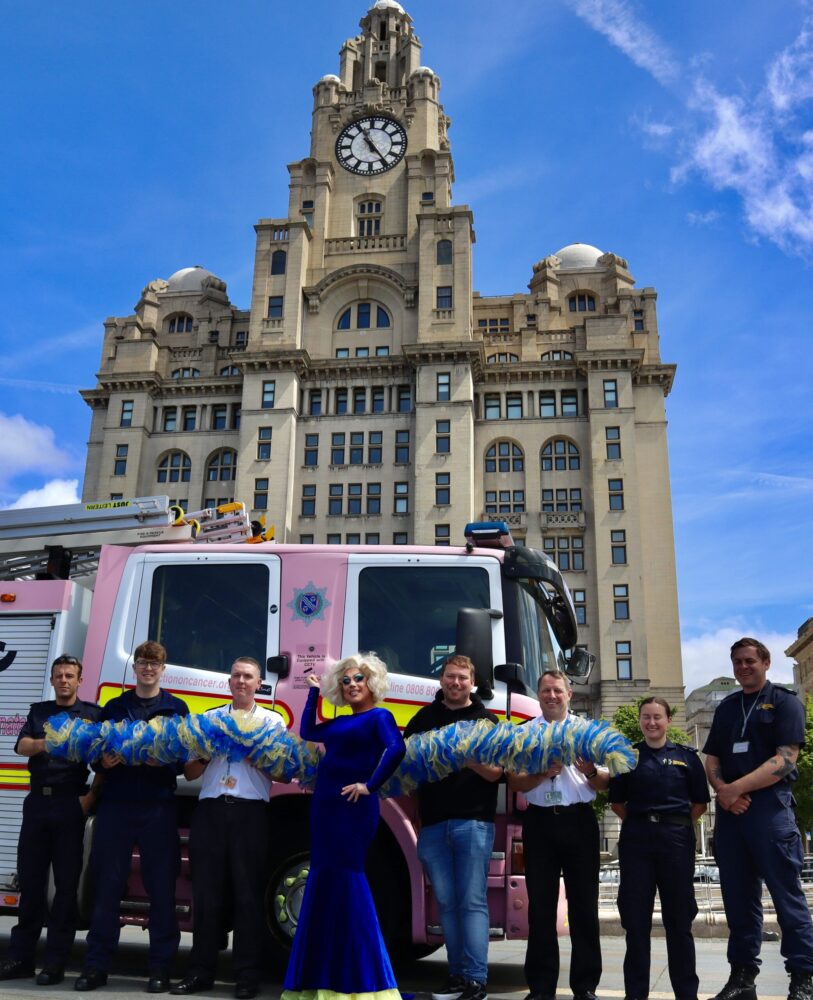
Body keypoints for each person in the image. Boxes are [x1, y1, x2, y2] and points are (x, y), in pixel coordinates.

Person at [281, 652, 405, 1000]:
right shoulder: (338, 724)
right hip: (325, 809)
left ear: (372, 683)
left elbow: (396, 749)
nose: (352, 685)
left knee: (348, 882)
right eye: (346, 680)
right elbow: (307, 730)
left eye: (358, 679)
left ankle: (365, 982)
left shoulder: (380, 716)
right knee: (321, 880)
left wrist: (370, 785)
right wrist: (313, 693)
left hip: (354, 810)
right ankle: (319, 978)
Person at [75, 640, 189, 994]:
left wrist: (166, 760)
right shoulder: (114, 707)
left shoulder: (176, 708)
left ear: (162, 669)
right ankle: (96, 967)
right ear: (135, 668)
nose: (148, 669)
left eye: (154, 664)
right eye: (142, 663)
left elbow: (185, 757)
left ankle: (160, 968)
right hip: (117, 806)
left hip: (158, 806)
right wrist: (102, 763)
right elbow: (93, 751)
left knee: (161, 889)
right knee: (107, 887)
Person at [703, 637, 813, 1000]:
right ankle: (742, 977)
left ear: (765, 662)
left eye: (750, 661)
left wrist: (735, 789)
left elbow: (786, 759)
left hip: (770, 810)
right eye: (737, 662)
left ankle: (803, 979)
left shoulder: (786, 703)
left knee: (787, 898)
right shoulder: (727, 708)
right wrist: (724, 791)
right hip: (732, 815)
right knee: (737, 900)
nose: (743, 667)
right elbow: (713, 759)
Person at [171, 657, 284, 1000]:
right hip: (211, 811)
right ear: (228, 682)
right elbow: (189, 773)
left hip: (250, 813)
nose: (241, 681)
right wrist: (208, 751)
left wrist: (255, 753)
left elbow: (283, 774)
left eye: (248, 676)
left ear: (259, 683)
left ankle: (247, 975)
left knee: (248, 896)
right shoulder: (209, 719)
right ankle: (200, 971)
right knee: (206, 896)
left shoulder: (272, 721)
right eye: (235, 675)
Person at [403, 654, 503, 1000]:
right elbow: (410, 771)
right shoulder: (423, 719)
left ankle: (477, 980)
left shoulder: (486, 720)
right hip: (432, 825)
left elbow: (498, 773)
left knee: (472, 901)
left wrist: (469, 759)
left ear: (471, 683)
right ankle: (458, 976)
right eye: (450, 677)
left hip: (473, 823)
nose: (456, 683)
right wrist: (418, 811)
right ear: (441, 679)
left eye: (462, 678)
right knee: (446, 903)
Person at [506, 669, 608, 1000]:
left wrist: (589, 770)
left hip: (579, 821)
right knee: (541, 908)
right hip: (539, 823)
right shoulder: (523, 733)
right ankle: (541, 987)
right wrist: (540, 773)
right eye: (546, 690)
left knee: (584, 908)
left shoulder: (589, 731)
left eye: (558, 691)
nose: (552, 696)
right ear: (539, 695)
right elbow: (514, 782)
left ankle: (585, 986)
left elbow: (607, 782)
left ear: (569, 695)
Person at [0, 654, 102, 986]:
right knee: (30, 883)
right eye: (58, 675)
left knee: (66, 888)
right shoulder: (39, 712)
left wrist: (89, 800)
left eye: (69, 675)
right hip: (37, 805)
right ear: (52, 679)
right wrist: (50, 741)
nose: (63, 680)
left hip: (70, 803)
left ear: (79, 680)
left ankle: (55, 962)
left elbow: (104, 763)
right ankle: (21, 958)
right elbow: (22, 746)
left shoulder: (91, 716)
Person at [608, 696, 710, 1000]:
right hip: (637, 840)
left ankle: (686, 994)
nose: (651, 723)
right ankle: (635, 995)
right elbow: (616, 802)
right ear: (640, 720)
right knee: (636, 923)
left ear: (668, 720)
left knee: (679, 921)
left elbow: (700, 804)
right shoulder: (626, 757)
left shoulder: (688, 757)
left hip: (676, 840)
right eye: (646, 717)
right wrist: (645, 824)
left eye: (657, 717)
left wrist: (671, 825)